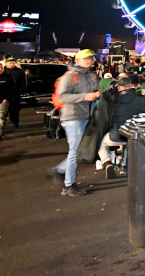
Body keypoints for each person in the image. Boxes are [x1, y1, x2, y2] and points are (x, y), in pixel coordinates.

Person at [47, 49, 101, 196]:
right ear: (77, 60)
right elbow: (62, 97)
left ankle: (60, 170)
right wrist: (85, 96)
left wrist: (98, 94)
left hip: (85, 117)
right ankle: (68, 185)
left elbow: (94, 93)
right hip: (72, 117)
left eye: (90, 58)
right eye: (85, 58)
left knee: (79, 150)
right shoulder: (69, 76)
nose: (89, 60)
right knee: (76, 152)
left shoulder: (91, 75)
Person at [96, 76, 145, 178]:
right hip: (136, 135)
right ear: (132, 86)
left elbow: (108, 120)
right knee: (127, 144)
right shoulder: (142, 99)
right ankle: (124, 166)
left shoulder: (113, 100)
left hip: (117, 135)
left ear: (119, 87)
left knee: (99, 142)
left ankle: (107, 162)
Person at [4, 58, 26, 129]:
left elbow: (24, 82)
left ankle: (15, 122)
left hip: (15, 94)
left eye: (13, 63)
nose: (12, 64)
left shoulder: (20, 71)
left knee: (14, 109)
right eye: (10, 63)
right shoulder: (3, 70)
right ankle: (2, 123)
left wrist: (21, 91)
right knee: (3, 110)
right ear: (6, 63)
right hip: (4, 94)